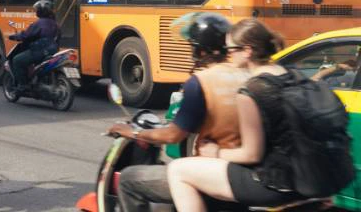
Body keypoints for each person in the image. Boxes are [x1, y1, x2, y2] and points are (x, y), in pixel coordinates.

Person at [108, 12, 248, 212]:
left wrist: (132, 132)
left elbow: (173, 135)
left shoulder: (201, 82)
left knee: (129, 180)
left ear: (200, 51)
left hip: (209, 173)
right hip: (240, 172)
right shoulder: (246, 76)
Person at [167, 19, 301, 212]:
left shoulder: (253, 89)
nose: (227, 56)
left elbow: (251, 154)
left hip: (274, 182)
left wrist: (216, 153)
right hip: (306, 177)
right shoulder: (291, 76)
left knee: (177, 170)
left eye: (230, 50)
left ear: (247, 51)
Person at [8, 0, 59, 93]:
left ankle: (23, 85)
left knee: (17, 60)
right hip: (53, 51)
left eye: (37, 10)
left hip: (39, 51)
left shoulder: (39, 23)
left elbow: (26, 35)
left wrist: (14, 36)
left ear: (40, 11)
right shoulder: (55, 23)